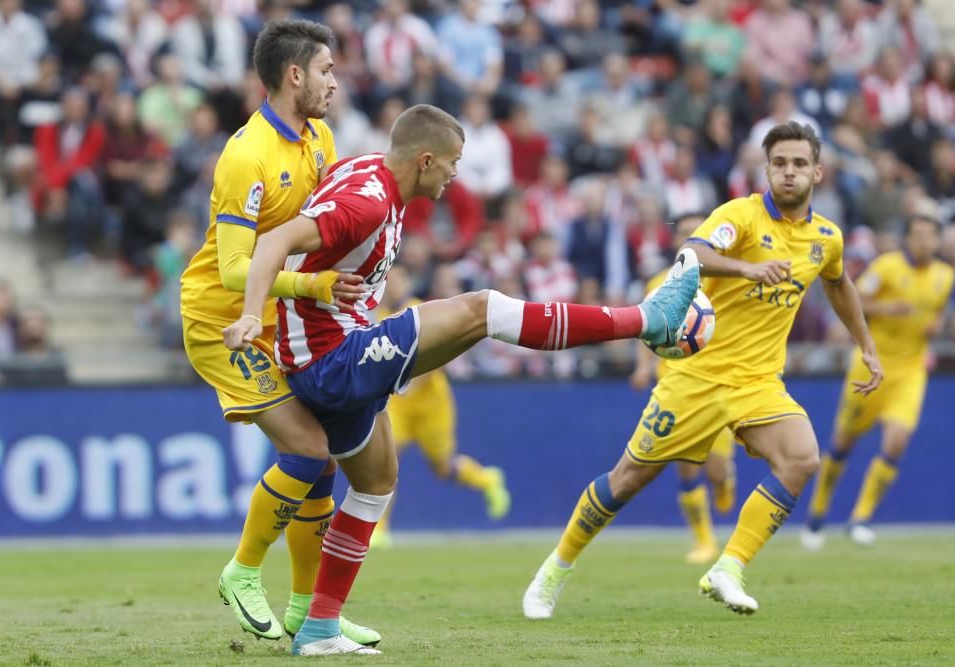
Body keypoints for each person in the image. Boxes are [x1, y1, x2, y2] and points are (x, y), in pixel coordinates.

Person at [222, 103, 701, 655]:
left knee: (377, 480)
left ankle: (320, 629)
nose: (455, 175)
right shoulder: (369, 199)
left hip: (333, 352)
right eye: (452, 163)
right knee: (482, 310)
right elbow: (272, 241)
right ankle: (645, 320)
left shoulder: (375, 182)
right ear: (424, 160)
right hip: (327, 360)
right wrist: (254, 314)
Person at [522, 121, 883, 620]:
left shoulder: (826, 238)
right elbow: (691, 252)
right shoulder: (741, 217)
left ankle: (728, 567)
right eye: (780, 163)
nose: (789, 172)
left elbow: (839, 283)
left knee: (802, 459)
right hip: (695, 378)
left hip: (758, 382)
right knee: (626, 480)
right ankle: (554, 571)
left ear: (818, 171)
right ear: (767, 169)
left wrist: (866, 343)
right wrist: (746, 268)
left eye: (800, 163)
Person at [178, 19, 378, 645]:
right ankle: (241, 572)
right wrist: (315, 289)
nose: (334, 83)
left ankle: (306, 611)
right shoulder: (246, 155)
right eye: (326, 70)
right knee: (311, 449)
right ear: (295, 74)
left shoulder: (320, 138)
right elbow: (238, 270)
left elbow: (327, 230)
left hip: (280, 321)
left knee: (320, 466)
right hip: (223, 323)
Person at [802, 213, 954, 549]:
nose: (925, 241)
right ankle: (816, 515)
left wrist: (935, 326)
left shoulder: (945, 276)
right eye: (919, 234)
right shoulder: (886, 267)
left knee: (896, 442)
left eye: (931, 235)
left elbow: (937, 311)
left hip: (911, 371)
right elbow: (854, 299)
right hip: (871, 365)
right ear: (908, 238)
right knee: (843, 444)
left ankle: (860, 518)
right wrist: (888, 309)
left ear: (938, 240)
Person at [371, 263, 511, 550]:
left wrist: (410, 385)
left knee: (443, 467)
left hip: (432, 403)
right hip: (397, 404)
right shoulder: (375, 316)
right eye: (389, 279)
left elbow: (438, 357)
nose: (393, 284)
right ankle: (379, 529)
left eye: (398, 278)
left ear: (408, 282)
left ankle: (486, 480)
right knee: (386, 462)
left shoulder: (417, 311)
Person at [629, 213, 737, 564]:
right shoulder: (662, 283)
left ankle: (723, 481)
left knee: (715, 468)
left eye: (699, 232)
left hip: (717, 384)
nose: (692, 238)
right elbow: (643, 328)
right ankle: (704, 540)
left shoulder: (725, 282)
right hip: (676, 384)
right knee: (686, 467)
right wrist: (643, 367)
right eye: (687, 234)